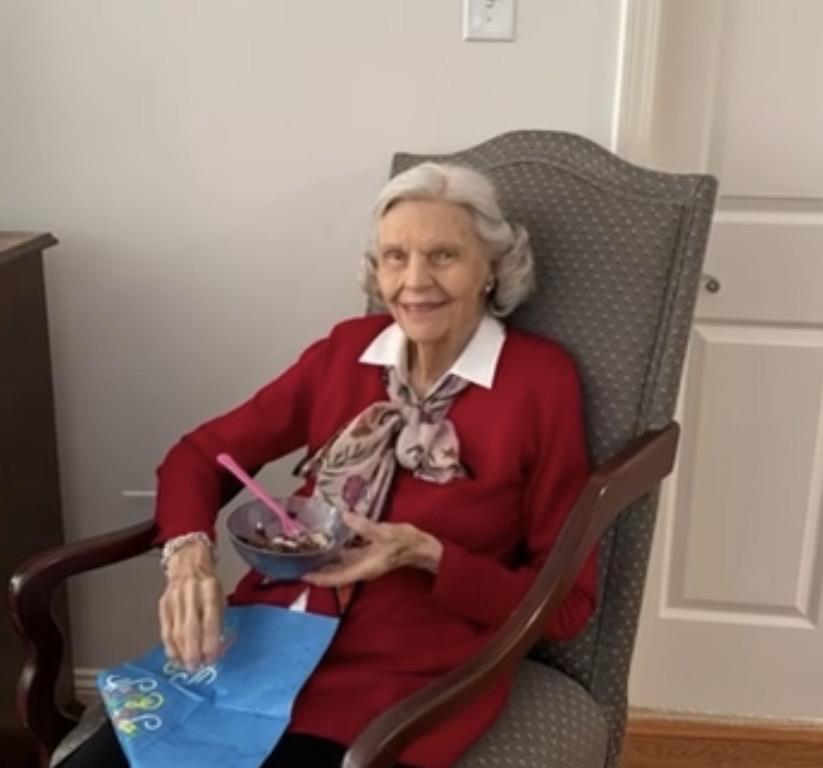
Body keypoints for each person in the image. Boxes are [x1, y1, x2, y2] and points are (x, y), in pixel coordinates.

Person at [59, 162, 597, 768]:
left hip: (399, 679)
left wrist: (428, 556)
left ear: (491, 270)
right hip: (262, 646)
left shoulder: (539, 384)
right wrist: (188, 560)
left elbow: (567, 605)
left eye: (444, 255)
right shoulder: (346, 353)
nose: (414, 281)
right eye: (395, 257)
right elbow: (199, 455)